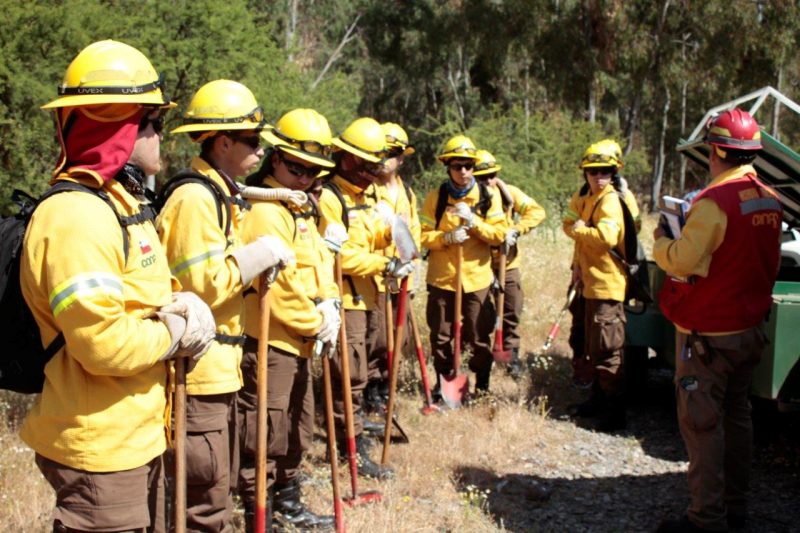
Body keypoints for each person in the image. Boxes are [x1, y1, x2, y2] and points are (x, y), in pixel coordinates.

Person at [19, 39, 217, 532]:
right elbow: (102, 344)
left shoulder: (121, 204)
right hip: (100, 445)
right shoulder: (76, 215)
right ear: (119, 129)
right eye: (151, 123)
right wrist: (174, 332)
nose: (159, 136)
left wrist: (178, 301)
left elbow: (141, 293)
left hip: (136, 431)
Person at [158, 79, 293, 531]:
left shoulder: (219, 194)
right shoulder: (196, 198)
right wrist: (254, 259)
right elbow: (205, 285)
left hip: (220, 370)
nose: (261, 150)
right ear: (222, 142)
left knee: (215, 489)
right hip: (197, 375)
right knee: (203, 500)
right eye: (253, 141)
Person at [655, 109, 781, 533]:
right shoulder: (768, 197)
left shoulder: (713, 203)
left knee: (703, 427)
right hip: (749, 332)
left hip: (708, 338)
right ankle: (736, 508)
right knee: (737, 418)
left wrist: (661, 245)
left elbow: (685, 261)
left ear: (715, 152)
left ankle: (706, 521)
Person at [237, 108, 340, 531]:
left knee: (297, 428)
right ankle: (256, 514)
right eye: (297, 167)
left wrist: (330, 303)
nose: (304, 178)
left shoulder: (301, 208)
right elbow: (276, 292)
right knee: (264, 434)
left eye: (314, 171)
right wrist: (314, 322)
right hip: (272, 341)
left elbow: (319, 266)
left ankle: (289, 503)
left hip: (300, 340)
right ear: (275, 158)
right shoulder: (266, 210)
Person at [317, 117, 408, 479]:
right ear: (348, 159)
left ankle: (353, 440)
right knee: (348, 379)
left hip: (370, 298)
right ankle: (348, 451)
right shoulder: (329, 198)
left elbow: (372, 239)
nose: (374, 173)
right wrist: (386, 264)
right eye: (368, 165)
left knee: (360, 377)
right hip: (347, 300)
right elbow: (342, 256)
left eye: (377, 165)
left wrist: (392, 232)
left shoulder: (367, 196)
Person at [420, 135, 506, 396]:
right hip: (442, 279)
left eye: (469, 166)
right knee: (441, 336)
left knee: (478, 336)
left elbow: (499, 235)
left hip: (476, 279)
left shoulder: (487, 197)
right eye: (458, 166)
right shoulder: (436, 198)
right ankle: (446, 385)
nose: (464, 172)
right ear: (448, 166)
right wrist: (445, 238)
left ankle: (481, 385)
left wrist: (474, 223)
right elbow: (422, 236)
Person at [562, 139, 629, 431]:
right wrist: (577, 263)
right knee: (591, 346)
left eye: (605, 171)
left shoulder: (611, 200)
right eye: (593, 171)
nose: (598, 176)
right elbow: (567, 222)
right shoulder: (585, 195)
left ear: (614, 172)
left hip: (607, 286)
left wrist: (581, 230)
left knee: (608, 350)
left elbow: (606, 238)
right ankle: (597, 402)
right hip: (588, 282)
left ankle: (614, 414)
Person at [472, 149, 546, 379]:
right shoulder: (471, 198)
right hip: (480, 264)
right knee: (480, 314)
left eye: (492, 175)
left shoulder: (508, 194)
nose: (488, 181)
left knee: (512, 308)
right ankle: (481, 355)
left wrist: (517, 229)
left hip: (508, 263)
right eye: (482, 177)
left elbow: (536, 212)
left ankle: (509, 354)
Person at [364, 122, 421, 419]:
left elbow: (414, 229)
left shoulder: (407, 192)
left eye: (394, 153)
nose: (387, 158)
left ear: (402, 157)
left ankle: (389, 385)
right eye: (383, 152)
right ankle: (372, 389)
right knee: (377, 337)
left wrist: (412, 259)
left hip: (403, 276)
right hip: (376, 277)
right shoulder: (367, 189)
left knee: (401, 337)